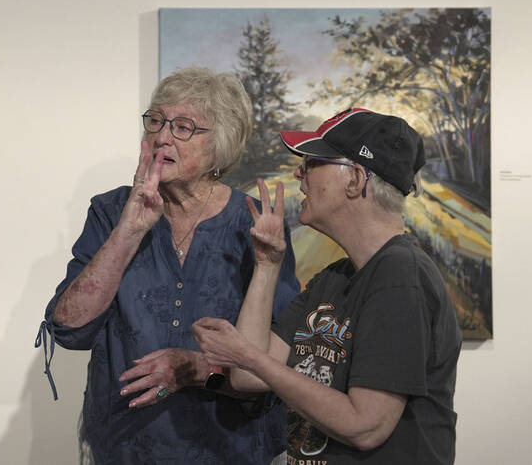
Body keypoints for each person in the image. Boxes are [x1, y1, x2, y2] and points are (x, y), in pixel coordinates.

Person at [36, 67, 299, 464]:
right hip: (122, 447)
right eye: (155, 121)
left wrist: (197, 368)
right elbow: (69, 331)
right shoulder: (111, 211)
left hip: (228, 448)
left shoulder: (256, 224)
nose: (161, 136)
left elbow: (273, 366)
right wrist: (129, 229)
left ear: (220, 145)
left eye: (183, 127)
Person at [193, 108, 461, 464]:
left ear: (355, 179)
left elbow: (365, 425)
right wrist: (267, 266)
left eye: (314, 161)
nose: (298, 173)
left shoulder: (401, 276)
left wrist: (247, 356)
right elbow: (246, 378)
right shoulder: (333, 278)